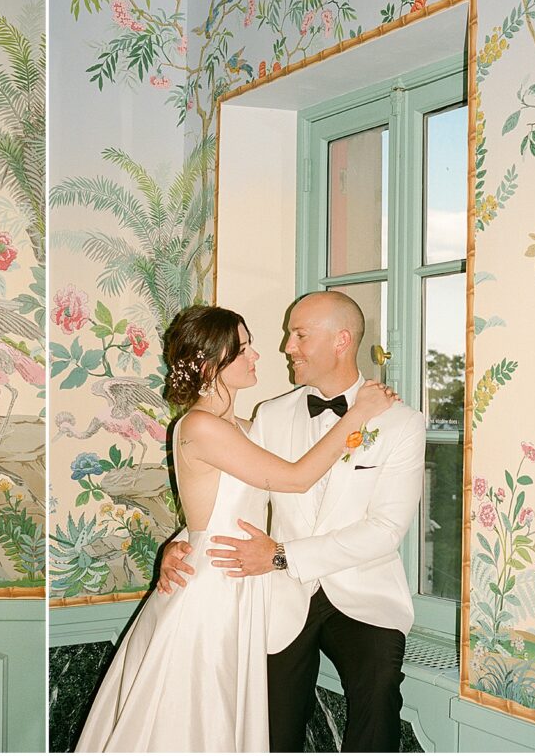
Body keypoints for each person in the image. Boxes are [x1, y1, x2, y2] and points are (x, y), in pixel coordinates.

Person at [74, 304, 397, 752]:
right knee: (193, 717)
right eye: (242, 349)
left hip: (244, 584)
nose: (258, 356)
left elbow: (214, 504)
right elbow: (296, 477)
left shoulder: (249, 425)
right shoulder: (201, 426)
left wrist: (179, 539)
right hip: (211, 589)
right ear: (210, 365)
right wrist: (357, 416)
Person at [159, 291, 426, 752]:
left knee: (378, 690)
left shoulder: (402, 423)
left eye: (300, 334)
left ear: (342, 341)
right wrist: (182, 544)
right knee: (271, 722)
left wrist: (282, 555)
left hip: (362, 591)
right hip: (276, 593)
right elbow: (233, 493)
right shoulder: (271, 414)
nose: (287, 347)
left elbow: (384, 531)